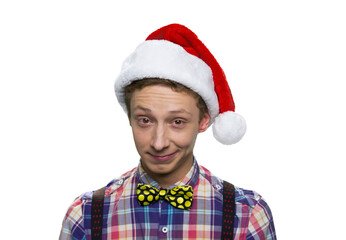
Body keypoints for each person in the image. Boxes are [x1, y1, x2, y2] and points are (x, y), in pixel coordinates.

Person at [59, 23, 276, 240]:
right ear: (129, 118)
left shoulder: (247, 215)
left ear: (203, 121)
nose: (159, 142)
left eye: (177, 122)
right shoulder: (85, 216)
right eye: (145, 120)